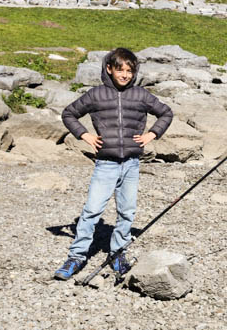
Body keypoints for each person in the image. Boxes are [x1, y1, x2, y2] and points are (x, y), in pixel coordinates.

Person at [53, 48, 173, 281]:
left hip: (131, 163)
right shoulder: (96, 95)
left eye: (130, 71)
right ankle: (76, 257)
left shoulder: (140, 95)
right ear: (109, 69)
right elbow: (69, 114)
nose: (125, 75)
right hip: (105, 164)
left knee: (126, 212)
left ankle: (118, 253)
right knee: (91, 211)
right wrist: (84, 135)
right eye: (121, 70)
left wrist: (152, 134)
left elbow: (166, 113)